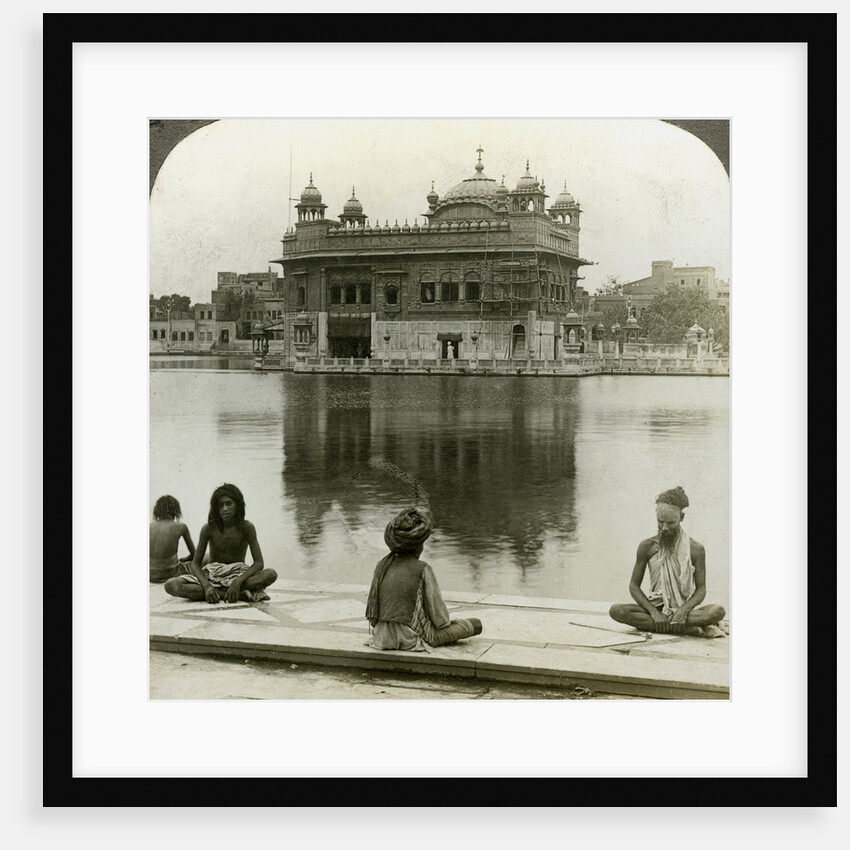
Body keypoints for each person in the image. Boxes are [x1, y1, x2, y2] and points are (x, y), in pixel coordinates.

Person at [608, 486, 726, 636]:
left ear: (681, 517)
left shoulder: (695, 548)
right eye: (660, 522)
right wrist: (653, 612)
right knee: (617, 611)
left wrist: (682, 611)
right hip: (655, 607)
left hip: (684, 608)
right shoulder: (647, 546)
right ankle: (681, 627)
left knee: (717, 611)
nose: (664, 528)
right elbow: (633, 586)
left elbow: (701, 590)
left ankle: (663, 625)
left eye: (671, 523)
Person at [365, 506, 482, 651]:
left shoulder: (381, 565)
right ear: (417, 547)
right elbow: (441, 620)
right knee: (476, 624)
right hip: (411, 638)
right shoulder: (423, 568)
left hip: (382, 638)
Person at [164, 483, 277, 603]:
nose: (225, 509)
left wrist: (238, 581)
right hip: (212, 574)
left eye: (229, 503)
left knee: (270, 574)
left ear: (237, 505)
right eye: (220, 505)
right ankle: (234, 595)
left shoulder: (246, 527)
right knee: (171, 585)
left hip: (238, 573)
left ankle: (224, 591)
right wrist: (207, 586)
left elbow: (259, 563)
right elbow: (195, 564)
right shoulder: (208, 528)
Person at [149, 495, 195, 583]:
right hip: (170, 573)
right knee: (206, 557)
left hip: (149, 574)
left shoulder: (149, 527)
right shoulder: (181, 526)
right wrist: (185, 559)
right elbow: (194, 555)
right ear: (176, 510)